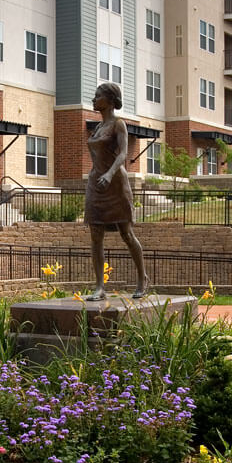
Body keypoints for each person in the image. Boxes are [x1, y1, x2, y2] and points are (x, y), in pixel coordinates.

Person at [84, 82, 149, 300]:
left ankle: (142, 278)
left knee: (126, 234)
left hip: (115, 184)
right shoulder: (97, 128)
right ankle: (100, 287)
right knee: (95, 236)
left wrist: (110, 174)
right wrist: (98, 175)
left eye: (97, 95)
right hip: (96, 184)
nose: (94, 99)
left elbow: (122, 154)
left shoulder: (118, 125)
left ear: (110, 100)